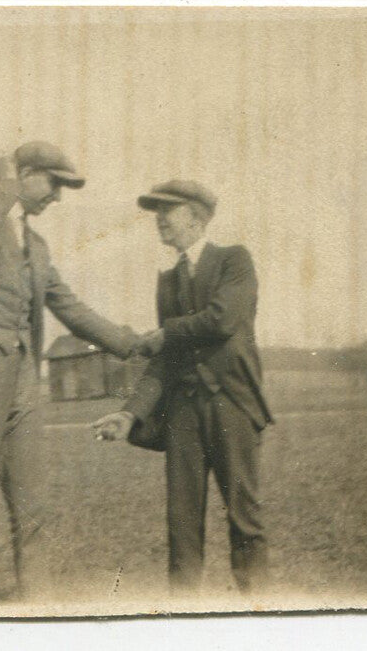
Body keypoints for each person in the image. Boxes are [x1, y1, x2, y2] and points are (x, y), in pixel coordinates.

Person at [0, 141, 137, 602]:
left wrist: (132, 343)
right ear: (26, 175)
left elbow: (69, 307)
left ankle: (38, 612)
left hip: (23, 377)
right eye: (54, 184)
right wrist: (5, 182)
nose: (57, 197)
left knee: (33, 508)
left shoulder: (36, 246)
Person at [93, 180, 272, 596]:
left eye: (167, 210)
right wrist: (130, 413)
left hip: (232, 405)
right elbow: (165, 358)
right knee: (182, 526)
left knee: (244, 519)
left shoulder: (234, 260)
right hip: (183, 415)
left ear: (196, 218)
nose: (159, 219)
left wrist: (166, 332)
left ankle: (261, 611)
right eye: (156, 211)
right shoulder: (168, 280)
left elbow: (222, 319)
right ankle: (183, 615)